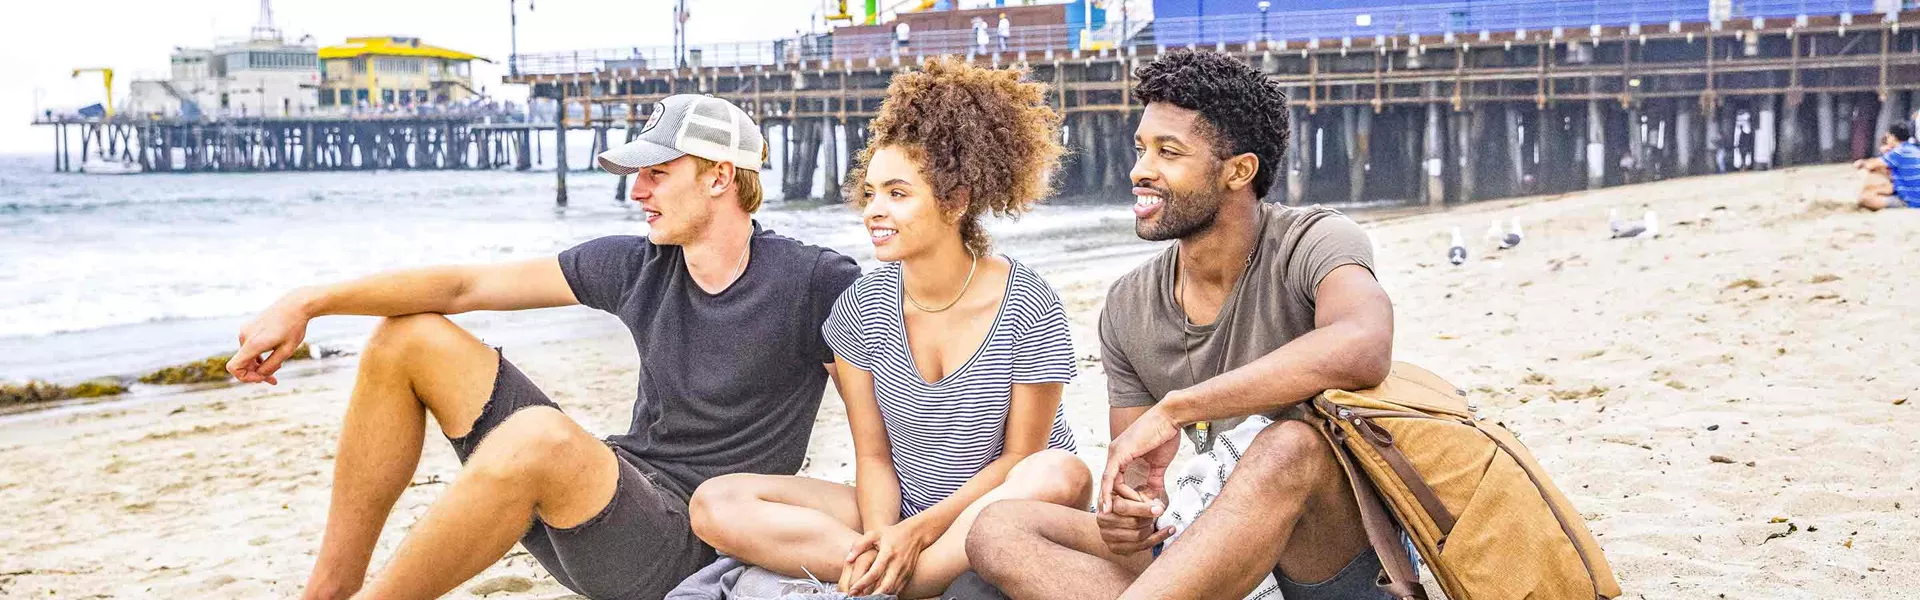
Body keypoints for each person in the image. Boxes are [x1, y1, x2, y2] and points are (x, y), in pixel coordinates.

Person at [225, 94, 861, 600]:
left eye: (657, 174)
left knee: (541, 437)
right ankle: (328, 590)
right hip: (604, 513)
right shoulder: (638, 264)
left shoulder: (815, 282)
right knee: (408, 336)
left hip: (687, 542)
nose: (636, 191)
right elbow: (464, 285)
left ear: (721, 176)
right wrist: (306, 302)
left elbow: (903, 414)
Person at [965, 49, 1397, 600]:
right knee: (1000, 528)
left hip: (1326, 556)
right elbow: (1141, 495)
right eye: (1141, 148)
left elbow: (1364, 344)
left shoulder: (1313, 242)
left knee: (1290, 445)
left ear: (1238, 170)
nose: (1139, 169)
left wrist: (1179, 407)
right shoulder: (1129, 305)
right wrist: (1130, 514)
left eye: (1168, 152)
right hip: (1203, 546)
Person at [689, 57, 1089, 599]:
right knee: (716, 503)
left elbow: (1019, 459)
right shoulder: (861, 307)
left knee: (1061, 472)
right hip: (902, 503)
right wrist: (883, 533)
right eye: (872, 191)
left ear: (956, 200)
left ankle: (906, 579)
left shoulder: (1026, 302)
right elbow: (874, 457)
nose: (874, 209)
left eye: (898, 194)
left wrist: (916, 534)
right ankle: (887, 572)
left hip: (996, 507)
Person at [1856, 122, 1920, 210]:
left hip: (1911, 200)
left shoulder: (1898, 152)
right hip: (1915, 195)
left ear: (1893, 137)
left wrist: (1862, 162)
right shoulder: (1915, 149)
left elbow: (1871, 165)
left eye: (1888, 137)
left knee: (1864, 199)